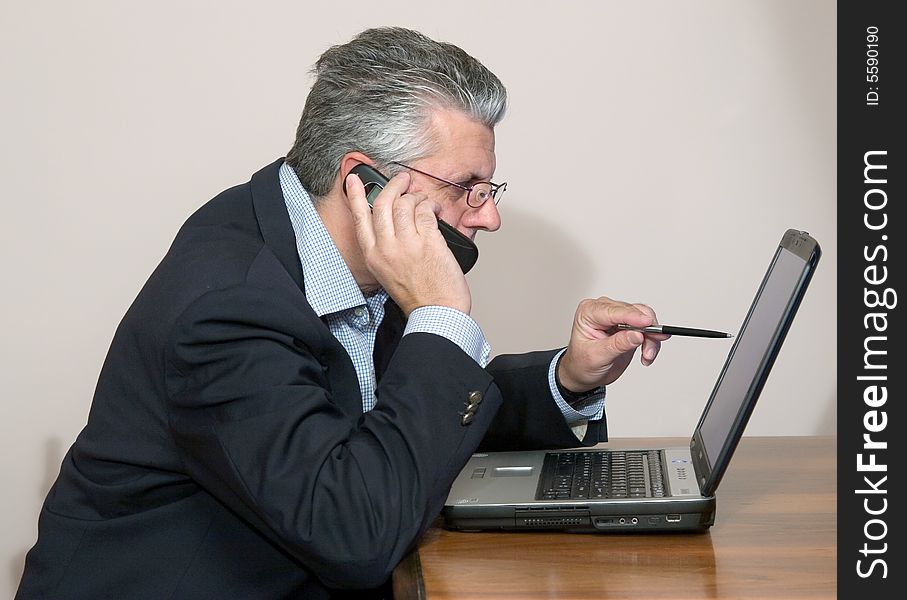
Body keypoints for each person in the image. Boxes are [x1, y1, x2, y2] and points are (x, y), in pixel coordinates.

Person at [16, 27, 664, 599]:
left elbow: (405, 416)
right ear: (364, 181)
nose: (487, 215)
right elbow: (353, 534)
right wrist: (440, 312)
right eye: (467, 187)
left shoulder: (331, 244)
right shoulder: (229, 304)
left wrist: (568, 379)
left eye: (488, 189)